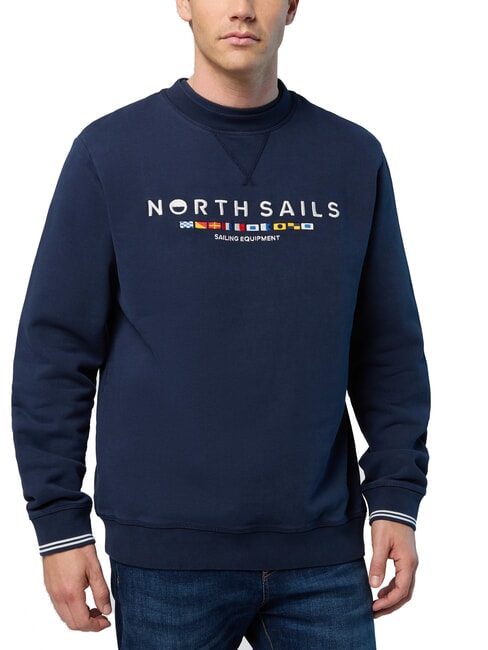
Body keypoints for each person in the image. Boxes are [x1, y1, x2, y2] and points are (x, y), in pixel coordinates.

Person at [11, 1, 430, 648]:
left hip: (321, 553)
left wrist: (397, 498)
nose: (241, 8)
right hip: (164, 559)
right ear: (183, 2)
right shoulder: (111, 152)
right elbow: (54, 350)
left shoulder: (351, 157)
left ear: (292, 6)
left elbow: (388, 348)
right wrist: (59, 526)